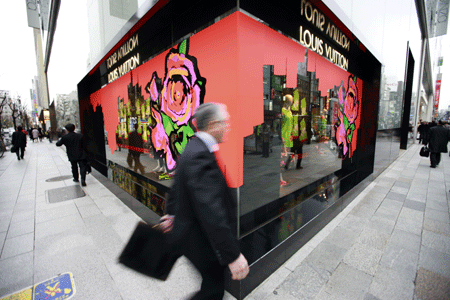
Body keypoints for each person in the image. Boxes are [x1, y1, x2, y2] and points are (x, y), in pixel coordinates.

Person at [159, 103, 249, 299]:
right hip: (201, 240)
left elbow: (178, 183)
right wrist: (232, 255)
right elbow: (211, 210)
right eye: (226, 123)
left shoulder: (194, 146)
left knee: (212, 288)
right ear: (214, 124)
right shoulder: (199, 154)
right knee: (213, 291)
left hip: (194, 236)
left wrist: (171, 212)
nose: (228, 127)